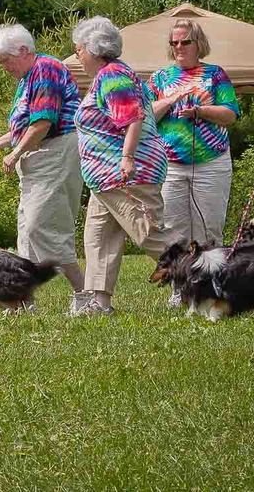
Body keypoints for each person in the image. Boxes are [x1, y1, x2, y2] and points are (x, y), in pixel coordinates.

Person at [0, 24, 84, 309]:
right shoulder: (28, 77)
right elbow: (22, 128)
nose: (4, 67)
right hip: (38, 158)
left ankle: (86, 294)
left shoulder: (45, 69)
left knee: (43, 228)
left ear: (23, 51)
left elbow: (43, 123)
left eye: (6, 60)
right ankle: (21, 300)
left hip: (54, 154)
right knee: (27, 232)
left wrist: (15, 153)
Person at [71, 17, 174, 315]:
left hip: (126, 173)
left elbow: (133, 118)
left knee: (148, 233)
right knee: (98, 237)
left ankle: (206, 278)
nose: (78, 55)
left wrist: (126, 159)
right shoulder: (109, 75)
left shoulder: (113, 75)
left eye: (79, 49)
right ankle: (99, 303)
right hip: (104, 179)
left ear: (94, 49)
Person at [147, 18, 239, 253]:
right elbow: (143, 116)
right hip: (171, 166)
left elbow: (230, 114)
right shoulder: (159, 78)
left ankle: (209, 286)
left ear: (198, 43)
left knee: (208, 230)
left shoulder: (215, 74)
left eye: (185, 42)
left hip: (211, 164)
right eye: (174, 42)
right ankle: (180, 288)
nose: (178, 47)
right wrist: (169, 101)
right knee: (172, 231)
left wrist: (201, 111)